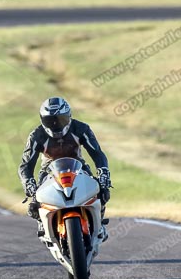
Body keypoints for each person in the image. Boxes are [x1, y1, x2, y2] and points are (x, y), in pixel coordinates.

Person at [18, 97, 111, 240]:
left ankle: (99, 223)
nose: (56, 124)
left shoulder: (81, 128)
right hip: (48, 171)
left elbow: (98, 154)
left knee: (102, 191)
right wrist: (28, 184)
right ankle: (42, 223)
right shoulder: (36, 136)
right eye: (50, 121)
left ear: (69, 116)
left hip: (78, 166)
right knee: (34, 204)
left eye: (60, 119)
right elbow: (25, 165)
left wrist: (103, 172)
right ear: (42, 120)